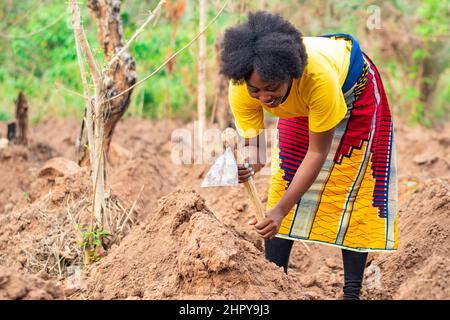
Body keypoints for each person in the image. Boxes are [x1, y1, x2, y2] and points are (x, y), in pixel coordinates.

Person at [219, 11, 398, 300]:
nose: (264, 98)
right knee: (285, 176)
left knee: (351, 185)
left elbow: (317, 152)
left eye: (271, 88)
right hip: (301, 99)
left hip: (355, 90)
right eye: (257, 91)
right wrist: (244, 167)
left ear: (289, 74)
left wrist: (278, 213)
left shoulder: (316, 79)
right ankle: (275, 284)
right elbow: (257, 154)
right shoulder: (242, 86)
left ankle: (352, 291)